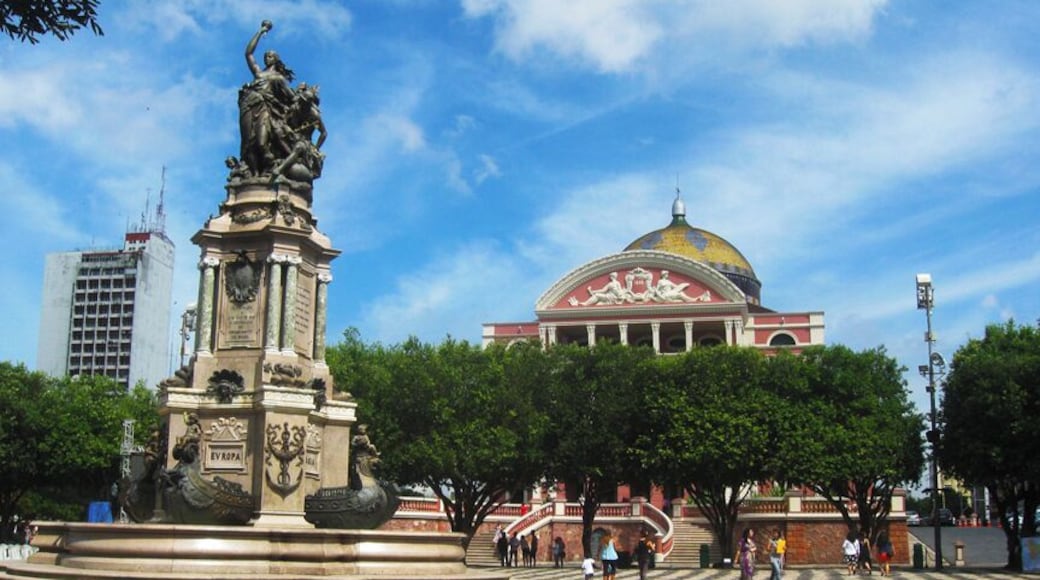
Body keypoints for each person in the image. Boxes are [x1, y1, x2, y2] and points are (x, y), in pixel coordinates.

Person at [239, 20, 298, 177]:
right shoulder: (258, 73)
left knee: (261, 142)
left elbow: (293, 99)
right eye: (266, 55)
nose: (267, 57)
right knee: (248, 145)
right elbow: (248, 54)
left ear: (276, 60)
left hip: (265, 109)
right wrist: (261, 31)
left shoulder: (278, 78)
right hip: (248, 107)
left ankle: (270, 169)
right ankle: (254, 174)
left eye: (270, 56)